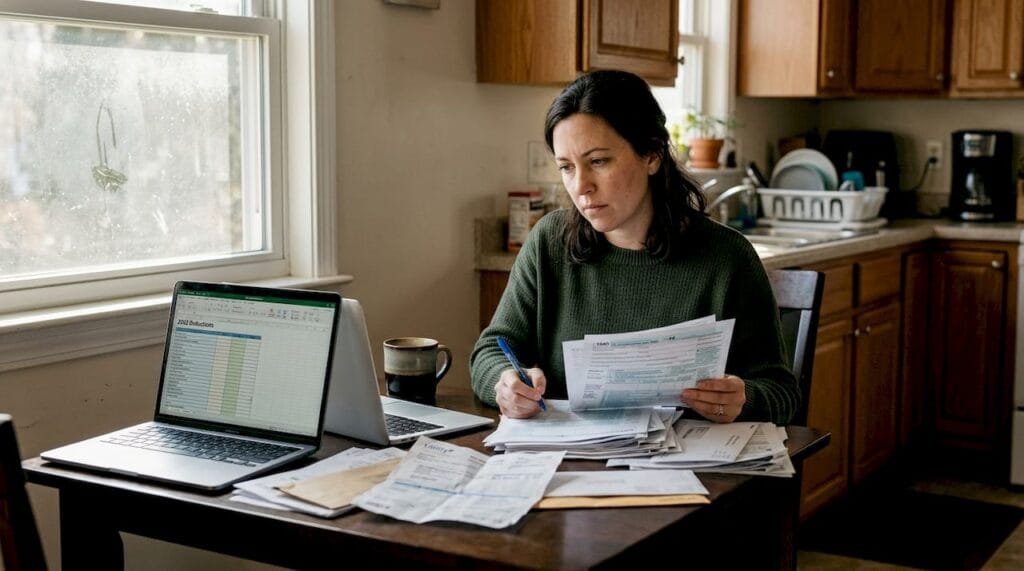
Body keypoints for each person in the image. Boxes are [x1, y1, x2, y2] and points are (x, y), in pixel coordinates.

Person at [470, 69, 798, 425]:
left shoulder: (726, 258)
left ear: (652, 155)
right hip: (569, 466)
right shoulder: (548, 243)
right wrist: (503, 383)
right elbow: (491, 351)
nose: (581, 186)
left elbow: (782, 391)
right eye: (566, 167)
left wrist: (743, 398)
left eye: (598, 161)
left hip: (687, 472)